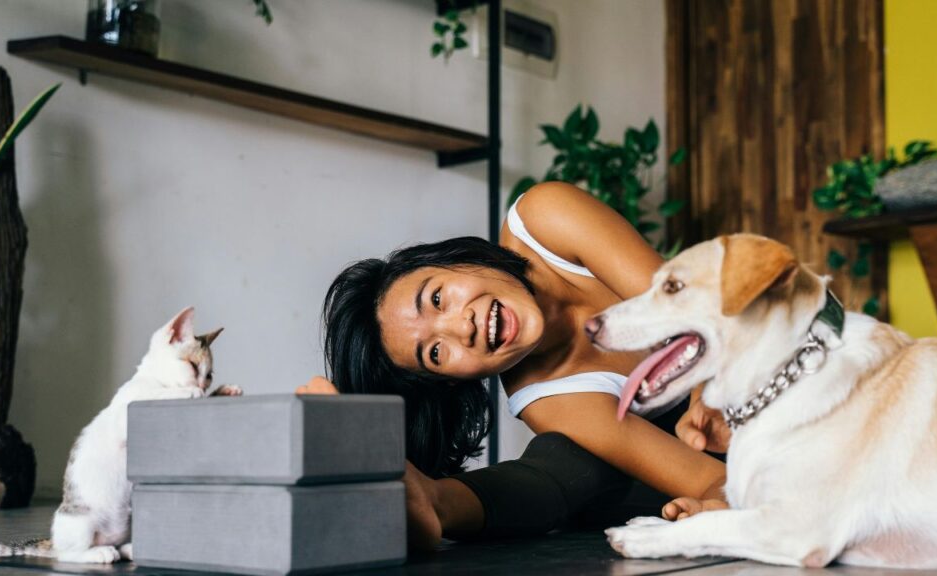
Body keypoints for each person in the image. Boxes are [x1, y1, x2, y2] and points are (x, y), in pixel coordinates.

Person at [297, 182, 730, 549]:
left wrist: (705, 394)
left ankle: (437, 502)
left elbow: (696, 314)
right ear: (451, 381)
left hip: (757, 353)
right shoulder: (549, 401)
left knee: (579, 464)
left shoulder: (543, 221)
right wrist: (711, 508)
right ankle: (433, 503)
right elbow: (708, 479)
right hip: (738, 451)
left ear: (452, 261)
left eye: (437, 298)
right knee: (570, 460)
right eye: (435, 353)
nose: (461, 327)